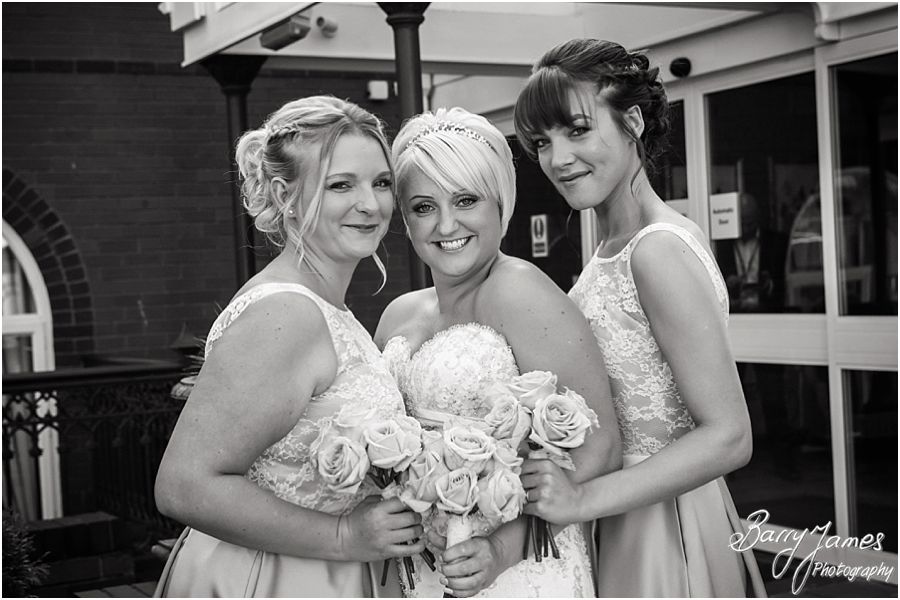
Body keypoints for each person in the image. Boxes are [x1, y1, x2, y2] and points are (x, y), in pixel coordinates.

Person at [513, 39, 767, 597]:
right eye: (542, 142)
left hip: (663, 525)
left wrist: (581, 499)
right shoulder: (617, 246)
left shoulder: (655, 250)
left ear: (632, 121)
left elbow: (729, 437)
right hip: (624, 510)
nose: (558, 158)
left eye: (577, 130)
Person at [153, 96, 424, 597]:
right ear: (285, 194)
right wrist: (343, 536)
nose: (371, 204)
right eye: (341, 184)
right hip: (275, 579)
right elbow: (184, 486)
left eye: (381, 182)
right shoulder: (287, 313)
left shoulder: (327, 307)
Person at [375, 107, 622, 598]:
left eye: (465, 200)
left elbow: (602, 448)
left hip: (517, 570)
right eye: (423, 207)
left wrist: (502, 550)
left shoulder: (520, 290)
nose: (446, 224)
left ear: (501, 203)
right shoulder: (397, 315)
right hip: (422, 570)